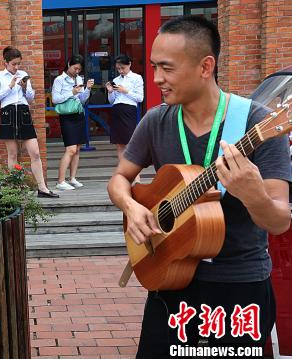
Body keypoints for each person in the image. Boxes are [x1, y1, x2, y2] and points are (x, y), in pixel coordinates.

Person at [108, 15, 290, 358]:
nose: (157, 79)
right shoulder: (156, 120)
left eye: (167, 68)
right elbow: (119, 179)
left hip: (237, 289)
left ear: (206, 66)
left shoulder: (259, 123)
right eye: (153, 67)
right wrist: (131, 207)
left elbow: (279, 221)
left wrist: (253, 194)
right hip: (169, 278)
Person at [0, 46, 58, 198]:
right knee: (13, 154)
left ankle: (42, 188)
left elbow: (30, 98)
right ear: (5, 63)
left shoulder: (23, 74)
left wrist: (25, 87)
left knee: (35, 152)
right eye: (13, 64)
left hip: (23, 111)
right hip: (8, 113)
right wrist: (10, 86)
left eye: (18, 64)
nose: (16, 67)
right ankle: (16, 188)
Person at [51, 55, 93, 191]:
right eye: (75, 68)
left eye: (79, 69)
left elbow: (82, 100)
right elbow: (55, 99)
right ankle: (60, 181)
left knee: (78, 148)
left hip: (79, 113)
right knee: (71, 149)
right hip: (67, 116)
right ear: (69, 64)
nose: (76, 71)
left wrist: (87, 89)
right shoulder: (59, 80)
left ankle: (72, 178)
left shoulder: (79, 79)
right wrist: (71, 92)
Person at [105, 54, 144, 183]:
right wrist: (110, 91)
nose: (120, 71)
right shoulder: (116, 79)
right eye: (118, 68)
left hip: (129, 110)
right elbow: (112, 101)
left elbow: (140, 98)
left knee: (129, 144)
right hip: (116, 110)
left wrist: (125, 91)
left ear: (129, 64)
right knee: (119, 145)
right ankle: (124, 173)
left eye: (122, 68)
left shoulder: (136, 78)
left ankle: (136, 177)